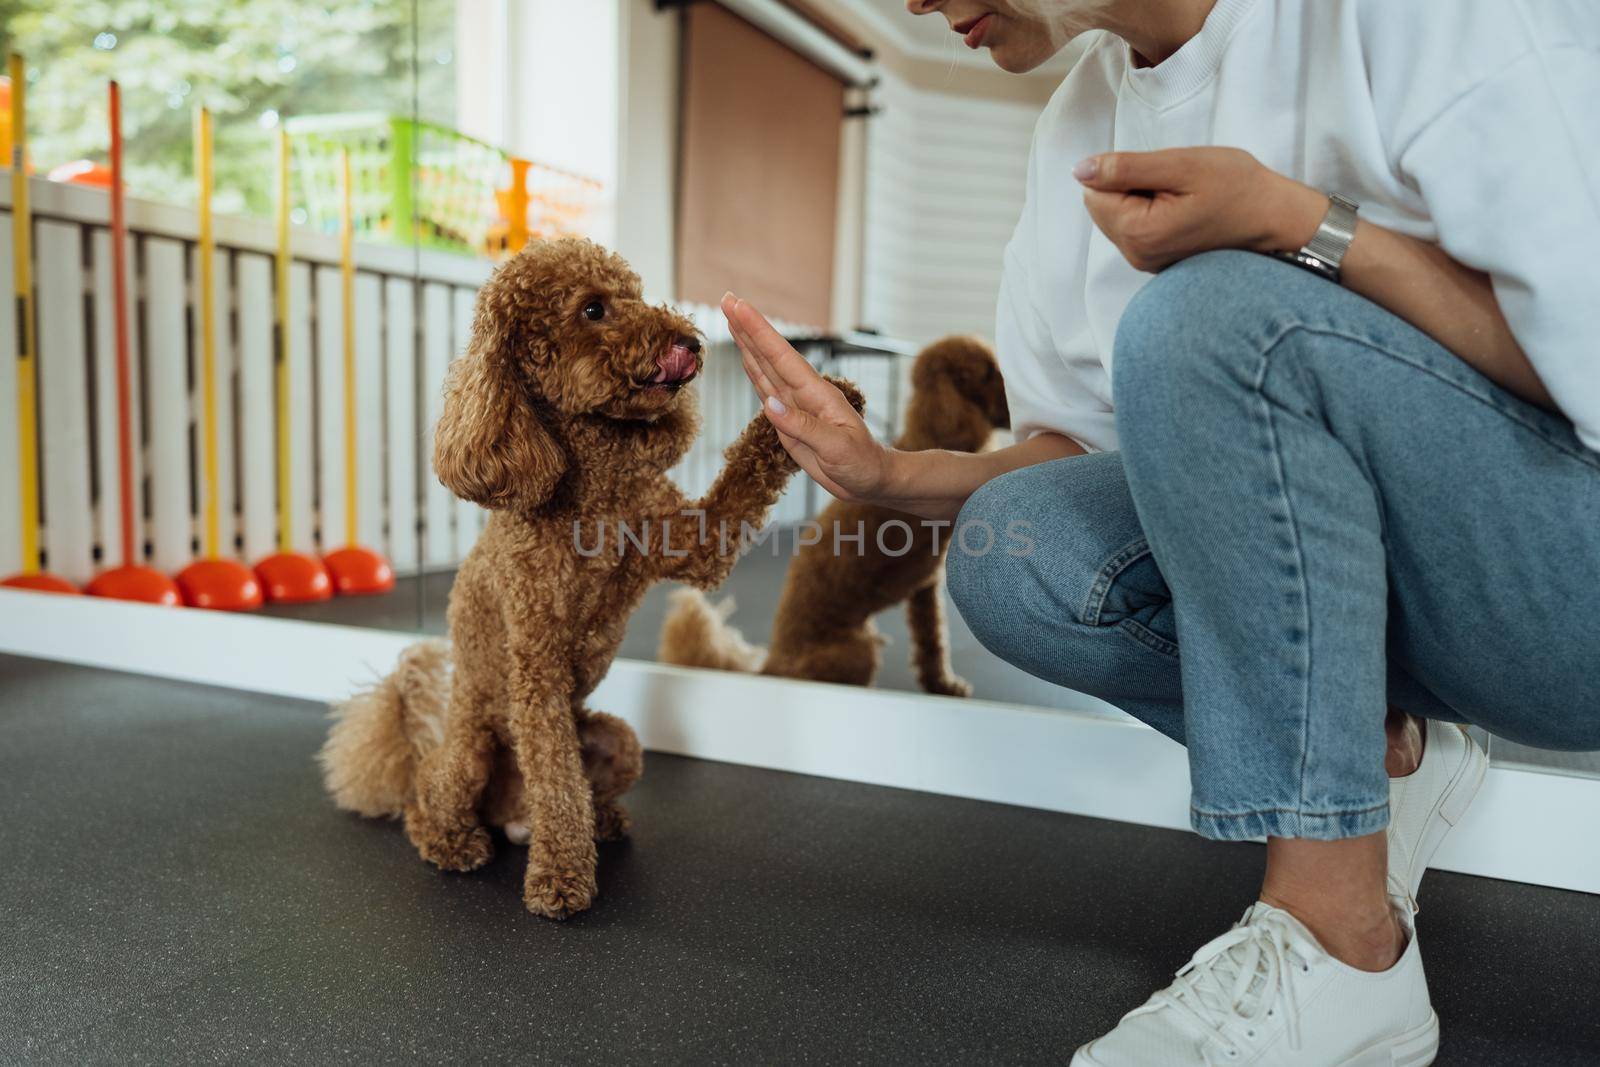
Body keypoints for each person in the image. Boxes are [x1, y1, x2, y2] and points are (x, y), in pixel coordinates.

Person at [718, 0, 1600, 1063]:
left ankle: (1339, 950)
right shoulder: (1079, 122)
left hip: (1564, 588)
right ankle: (1381, 757)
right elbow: (1080, 452)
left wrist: (1296, 222)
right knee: (1020, 549)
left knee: (1210, 316)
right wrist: (891, 473)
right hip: (1409, 611)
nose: (909, 1)